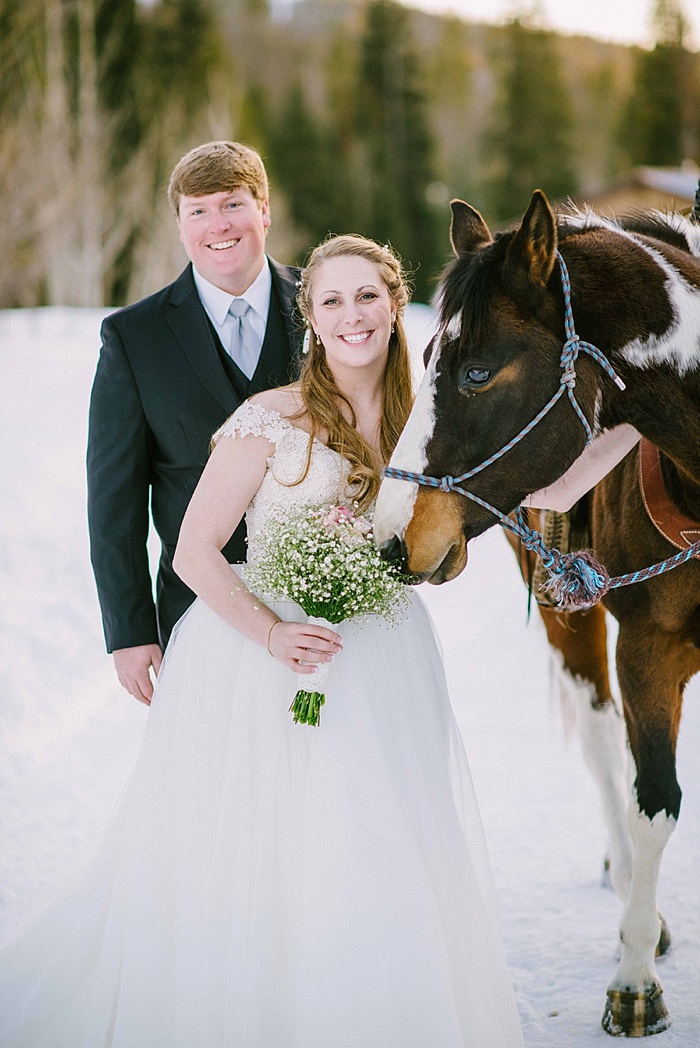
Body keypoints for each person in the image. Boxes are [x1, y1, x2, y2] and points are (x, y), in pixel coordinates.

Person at [0, 235, 524, 1048]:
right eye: (331, 301)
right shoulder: (271, 417)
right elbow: (194, 551)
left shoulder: (427, 419)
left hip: (383, 655)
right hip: (259, 657)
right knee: (264, 845)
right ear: (309, 319)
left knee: (377, 842)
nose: (352, 316)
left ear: (395, 304)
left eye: (367, 297)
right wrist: (274, 633)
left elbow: (447, 529)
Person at [87, 140, 302, 705]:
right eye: (197, 211)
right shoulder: (134, 338)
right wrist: (130, 631)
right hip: (198, 612)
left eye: (232, 204)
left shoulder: (326, 308)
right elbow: (115, 501)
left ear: (265, 211)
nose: (217, 225)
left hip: (324, 606)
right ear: (180, 226)